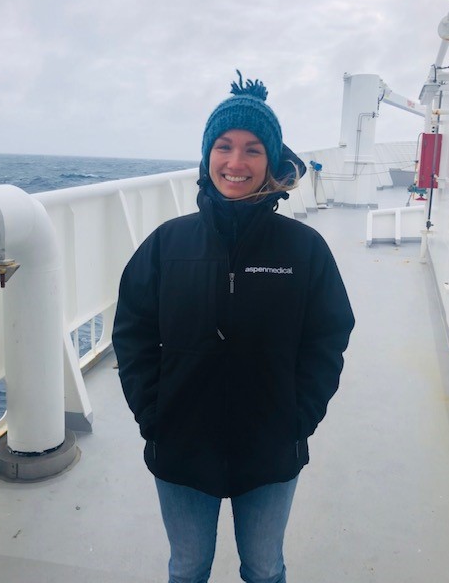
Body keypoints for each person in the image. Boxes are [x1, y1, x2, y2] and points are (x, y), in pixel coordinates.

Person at [112, 71, 355, 583]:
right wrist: (154, 415)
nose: (236, 163)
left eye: (252, 149)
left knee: (265, 568)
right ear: (207, 156)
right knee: (188, 567)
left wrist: (298, 419)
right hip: (180, 445)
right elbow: (132, 333)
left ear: (271, 162)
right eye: (224, 147)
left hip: (270, 447)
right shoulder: (166, 245)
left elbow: (327, 338)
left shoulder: (303, 250)